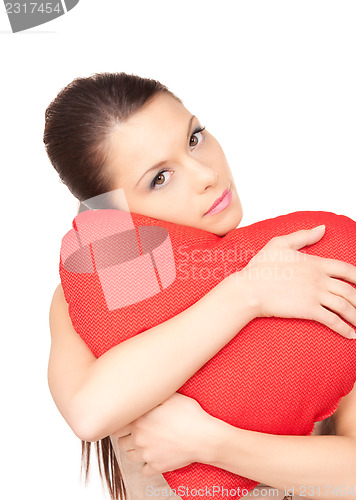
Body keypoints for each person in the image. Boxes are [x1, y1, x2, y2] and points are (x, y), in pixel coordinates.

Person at [45, 72, 356, 500]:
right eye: (159, 177)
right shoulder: (93, 300)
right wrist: (248, 293)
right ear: (110, 214)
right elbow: (89, 411)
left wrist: (212, 443)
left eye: (194, 138)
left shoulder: (313, 259)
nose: (206, 173)